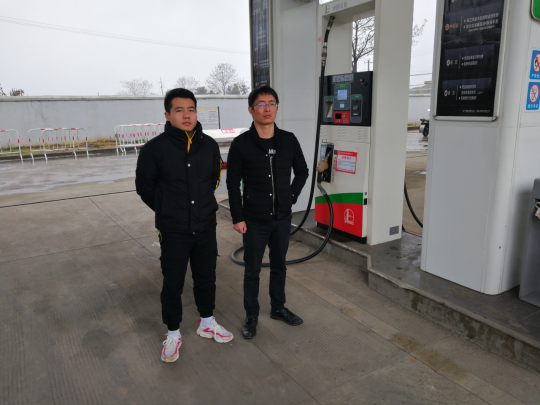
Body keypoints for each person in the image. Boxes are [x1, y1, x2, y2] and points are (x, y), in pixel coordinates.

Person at [136, 88, 233, 363]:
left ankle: (207, 322)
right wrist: (167, 208)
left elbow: (214, 179)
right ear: (167, 115)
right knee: (173, 282)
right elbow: (144, 187)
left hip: (205, 226)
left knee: (206, 277)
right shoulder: (154, 149)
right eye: (179, 110)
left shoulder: (209, 145)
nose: (186, 115)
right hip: (173, 229)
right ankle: (173, 332)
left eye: (191, 109)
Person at [226, 86, 309, 339]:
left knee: (279, 266)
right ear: (251, 110)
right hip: (254, 220)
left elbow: (303, 171)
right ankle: (251, 315)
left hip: (282, 219)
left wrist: (291, 196)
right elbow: (232, 183)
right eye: (261, 104)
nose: (267, 108)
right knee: (252, 270)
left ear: (277, 107)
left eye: (272, 103)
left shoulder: (288, 140)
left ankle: (278, 308)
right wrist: (238, 217)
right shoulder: (241, 144)